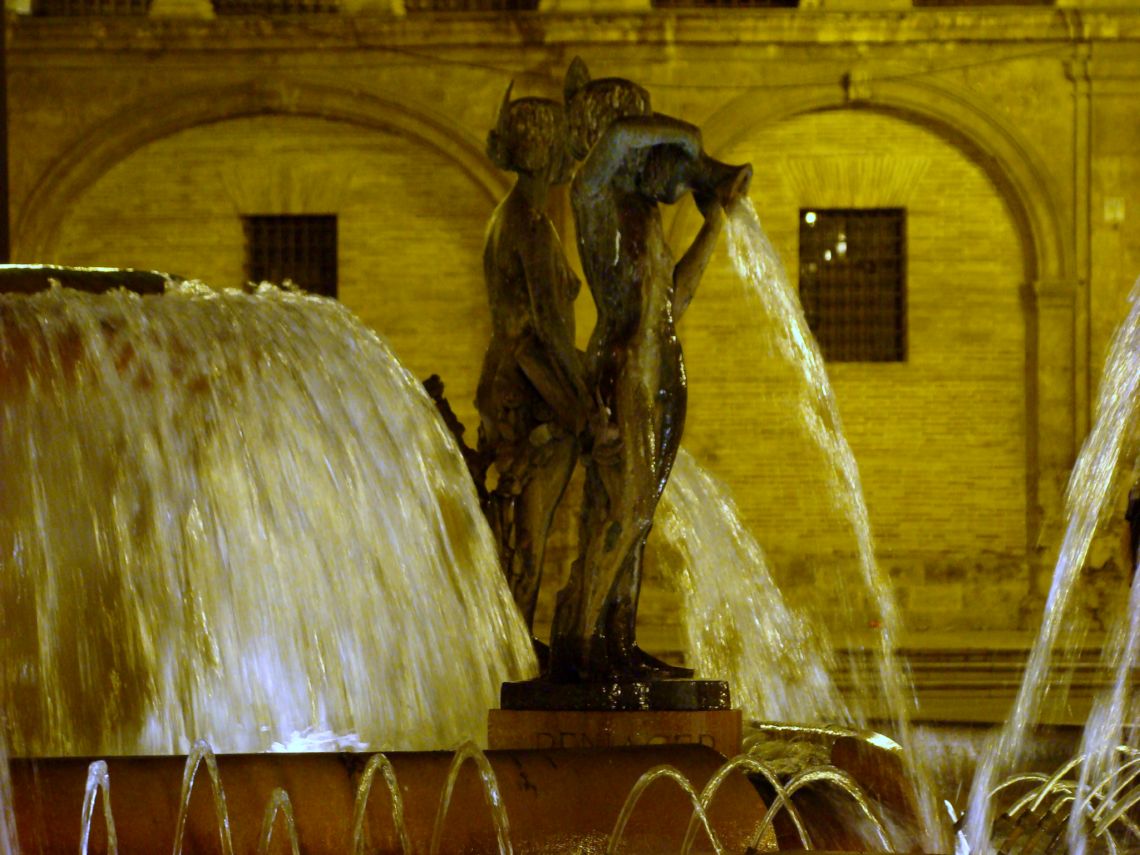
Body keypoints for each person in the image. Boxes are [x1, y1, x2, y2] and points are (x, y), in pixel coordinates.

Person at [550, 58, 752, 680]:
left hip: (663, 361)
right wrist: (689, 141)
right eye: (640, 130)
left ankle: (617, 643)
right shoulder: (593, 197)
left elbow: (674, 297)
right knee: (627, 505)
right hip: (621, 366)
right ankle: (577, 646)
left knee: (639, 515)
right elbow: (611, 146)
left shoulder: (647, 215)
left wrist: (714, 223)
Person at [477, 85, 593, 637]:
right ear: (547, 152)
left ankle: (513, 659)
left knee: (518, 540)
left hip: (508, 388)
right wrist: (586, 409)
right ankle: (512, 669)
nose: (574, 159)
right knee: (527, 542)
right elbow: (548, 327)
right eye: (568, 147)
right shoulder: (531, 226)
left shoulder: (511, 217)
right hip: (533, 397)